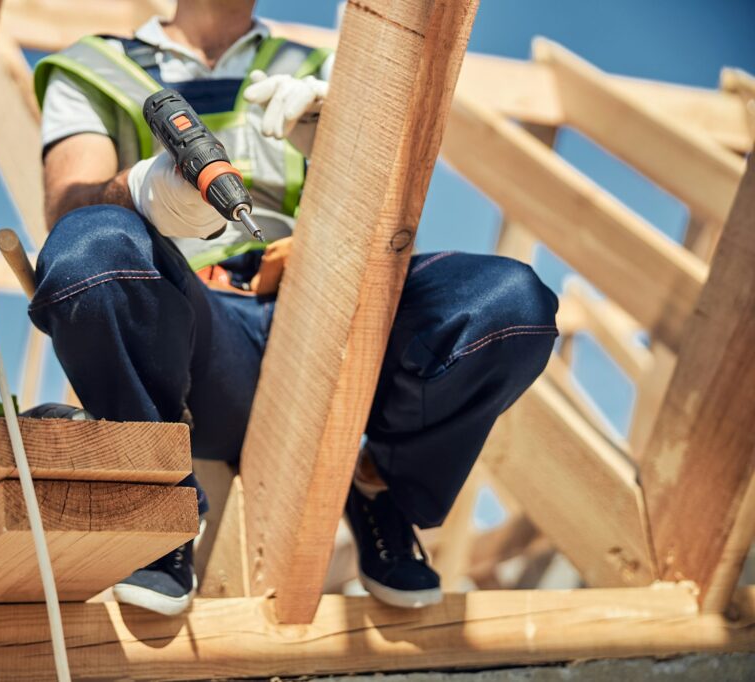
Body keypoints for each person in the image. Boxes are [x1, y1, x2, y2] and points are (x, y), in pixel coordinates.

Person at [29, 0, 558, 616]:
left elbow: (392, 231)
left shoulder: (327, 65)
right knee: (89, 246)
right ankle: (156, 500)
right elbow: (68, 213)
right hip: (197, 339)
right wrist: (143, 193)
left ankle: (377, 483)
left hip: (325, 319)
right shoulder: (94, 68)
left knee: (508, 304)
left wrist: (350, 158)